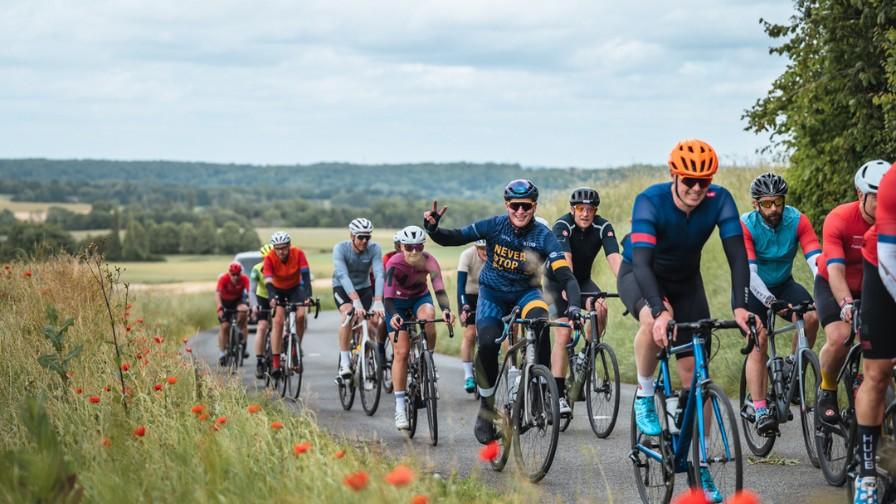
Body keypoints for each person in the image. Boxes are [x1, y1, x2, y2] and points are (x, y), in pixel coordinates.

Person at [616, 139, 755, 503]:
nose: (696, 188)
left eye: (703, 182)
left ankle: (701, 464)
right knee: (653, 321)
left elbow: (737, 257)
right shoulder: (650, 201)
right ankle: (646, 395)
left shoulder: (720, 200)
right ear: (674, 175)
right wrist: (659, 312)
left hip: (687, 283)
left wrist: (740, 306)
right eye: (689, 180)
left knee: (698, 374)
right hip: (642, 275)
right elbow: (643, 264)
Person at [423, 179, 582, 444]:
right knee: (486, 344)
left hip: (527, 293)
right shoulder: (494, 226)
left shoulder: (543, 236)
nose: (520, 211)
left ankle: (539, 388)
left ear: (534, 207)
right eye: (515, 206)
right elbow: (455, 237)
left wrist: (574, 305)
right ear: (507, 205)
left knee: (540, 322)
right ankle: (486, 409)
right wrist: (433, 230)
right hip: (493, 294)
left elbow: (566, 275)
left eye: (526, 206)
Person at [740, 172, 821, 436]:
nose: (773, 208)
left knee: (811, 316)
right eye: (766, 203)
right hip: (753, 287)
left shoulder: (797, 220)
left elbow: (815, 260)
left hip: (783, 283)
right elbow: (750, 273)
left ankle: (792, 368)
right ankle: (761, 409)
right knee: (759, 338)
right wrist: (769, 301)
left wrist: (826, 289)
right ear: (756, 204)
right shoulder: (747, 225)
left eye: (778, 202)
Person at [814, 160, 889, 426]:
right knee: (840, 336)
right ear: (860, 194)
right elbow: (835, 270)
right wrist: (846, 304)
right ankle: (827, 388)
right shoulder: (840, 219)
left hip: (873, 286)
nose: (885, 205)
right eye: (878, 198)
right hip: (833, 284)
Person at [545, 187, 621, 414]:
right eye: (580, 209)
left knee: (601, 307)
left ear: (595, 211)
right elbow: (566, 261)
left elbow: (614, 258)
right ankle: (557, 396)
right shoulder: (562, 226)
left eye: (590, 209)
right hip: (558, 281)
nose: (585, 214)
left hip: (584, 280)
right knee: (564, 333)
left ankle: (585, 355)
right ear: (572, 209)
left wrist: (629, 285)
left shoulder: (602, 227)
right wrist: (570, 289)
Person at [851, 161, 895, 504]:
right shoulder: (892, 184)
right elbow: (888, 259)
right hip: (882, 264)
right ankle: (866, 474)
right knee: (877, 374)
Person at [385, 225, 454, 430]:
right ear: (401, 247)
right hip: (396, 303)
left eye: (418, 247)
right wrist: (395, 316)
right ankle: (399, 408)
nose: (414, 252)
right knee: (402, 352)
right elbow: (387, 297)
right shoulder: (394, 263)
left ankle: (428, 357)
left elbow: (439, 288)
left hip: (419, 298)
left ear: (422, 246)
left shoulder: (430, 261)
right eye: (409, 247)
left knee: (429, 317)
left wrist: (447, 309)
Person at [332, 218, 385, 379]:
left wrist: (378, 301)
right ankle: (345, 363)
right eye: (361, 237)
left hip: (364, 288)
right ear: (352, 235)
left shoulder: (375, 248)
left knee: (373, 322)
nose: (364, 241)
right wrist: (354, 300)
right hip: (342, 287)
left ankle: (365, 358)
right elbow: (342, 275)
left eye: (367, 237)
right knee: (349, 314)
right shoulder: (340, 248)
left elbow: (379, 273)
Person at [262, 231, 312, 378]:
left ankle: (296, 349)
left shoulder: (298, 253)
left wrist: (308, 296)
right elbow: (268, 280)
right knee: (278, 321)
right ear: (274, 248)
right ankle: (276, 363)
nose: (281, 251)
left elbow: (306, 275)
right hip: (278, 289)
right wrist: (272, 297)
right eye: (277, 248)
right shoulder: (269, 257)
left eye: (284, 247)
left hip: (295, 288)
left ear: (289, 246)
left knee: (301, 316)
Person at [457, 239, 487, 394]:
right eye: (482, 248)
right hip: (469, 295)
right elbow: (460, 286)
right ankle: (469, 374)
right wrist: (463, 307)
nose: (485, 252)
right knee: (469, 333)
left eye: (488, 248)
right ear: (476, 247)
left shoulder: (497, 255)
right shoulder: (467, 256)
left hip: (487, 294)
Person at [215, 261, 250, 366]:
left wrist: (250, 307)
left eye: (237, 274)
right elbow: (217, 294)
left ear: (241, 273)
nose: (235, 277)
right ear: (229, 273)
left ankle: (242, 343)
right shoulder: (223, 279)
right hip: (225, 303)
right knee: (225, 326)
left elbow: (249, 293)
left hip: (238, 302)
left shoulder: (244, 279)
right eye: (233, 274)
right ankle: (222, 354)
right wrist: (219, 308)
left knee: (243, 312)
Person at [250, 244, 274, 379]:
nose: (268, 261)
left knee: (280, 324)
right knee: (262, 326)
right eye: (265, 258)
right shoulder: (256, 269)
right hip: (262, 297)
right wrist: (254, 306)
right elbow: (252, 291)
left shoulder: (280, 268)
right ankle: (259, 361)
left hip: (276, 297)